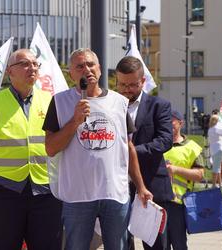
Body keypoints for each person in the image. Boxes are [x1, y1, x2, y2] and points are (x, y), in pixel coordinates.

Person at [43, 48, 152, 250]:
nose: (87, 69)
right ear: (71, 73)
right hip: (77, 195)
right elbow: (50, 148)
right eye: (80, 66)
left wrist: (141, 186)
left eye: (91, 64)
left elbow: (127, 147)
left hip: (115, 194)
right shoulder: (59, 102)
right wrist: (74, 122)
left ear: (100, 69)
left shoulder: (119, 102)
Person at [0, 49, 62, 250]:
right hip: (2, 192)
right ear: (10, 72)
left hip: (45, 192)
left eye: (36, 64)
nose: (33, 68)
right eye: (25, 64)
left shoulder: (51, 101)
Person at [116, 56, 173, 250]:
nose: (126, 89)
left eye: (132, 85)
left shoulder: (160, 106)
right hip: (119, 188)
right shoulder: (110, 105)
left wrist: (130, 152)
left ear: (143, 81)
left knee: (157, 245)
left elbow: (165, 141)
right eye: (122, 84)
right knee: (122, 243)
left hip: (152, 187)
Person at [164, 110, 204, 250]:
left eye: (171, 121)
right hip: (156, 203)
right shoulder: (159, 143)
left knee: (179, 244)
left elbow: (200, 175)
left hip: (178, 204)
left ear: (181, 123)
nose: (168, 124)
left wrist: (175, 170)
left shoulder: (192, 147)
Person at [208, 114, 222, 188]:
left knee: (217, 167)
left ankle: (219, 184)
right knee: (216, 168)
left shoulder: (210, 129)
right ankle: (214, 184)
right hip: (218, 149)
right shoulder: (217, 129)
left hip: (214, 149)